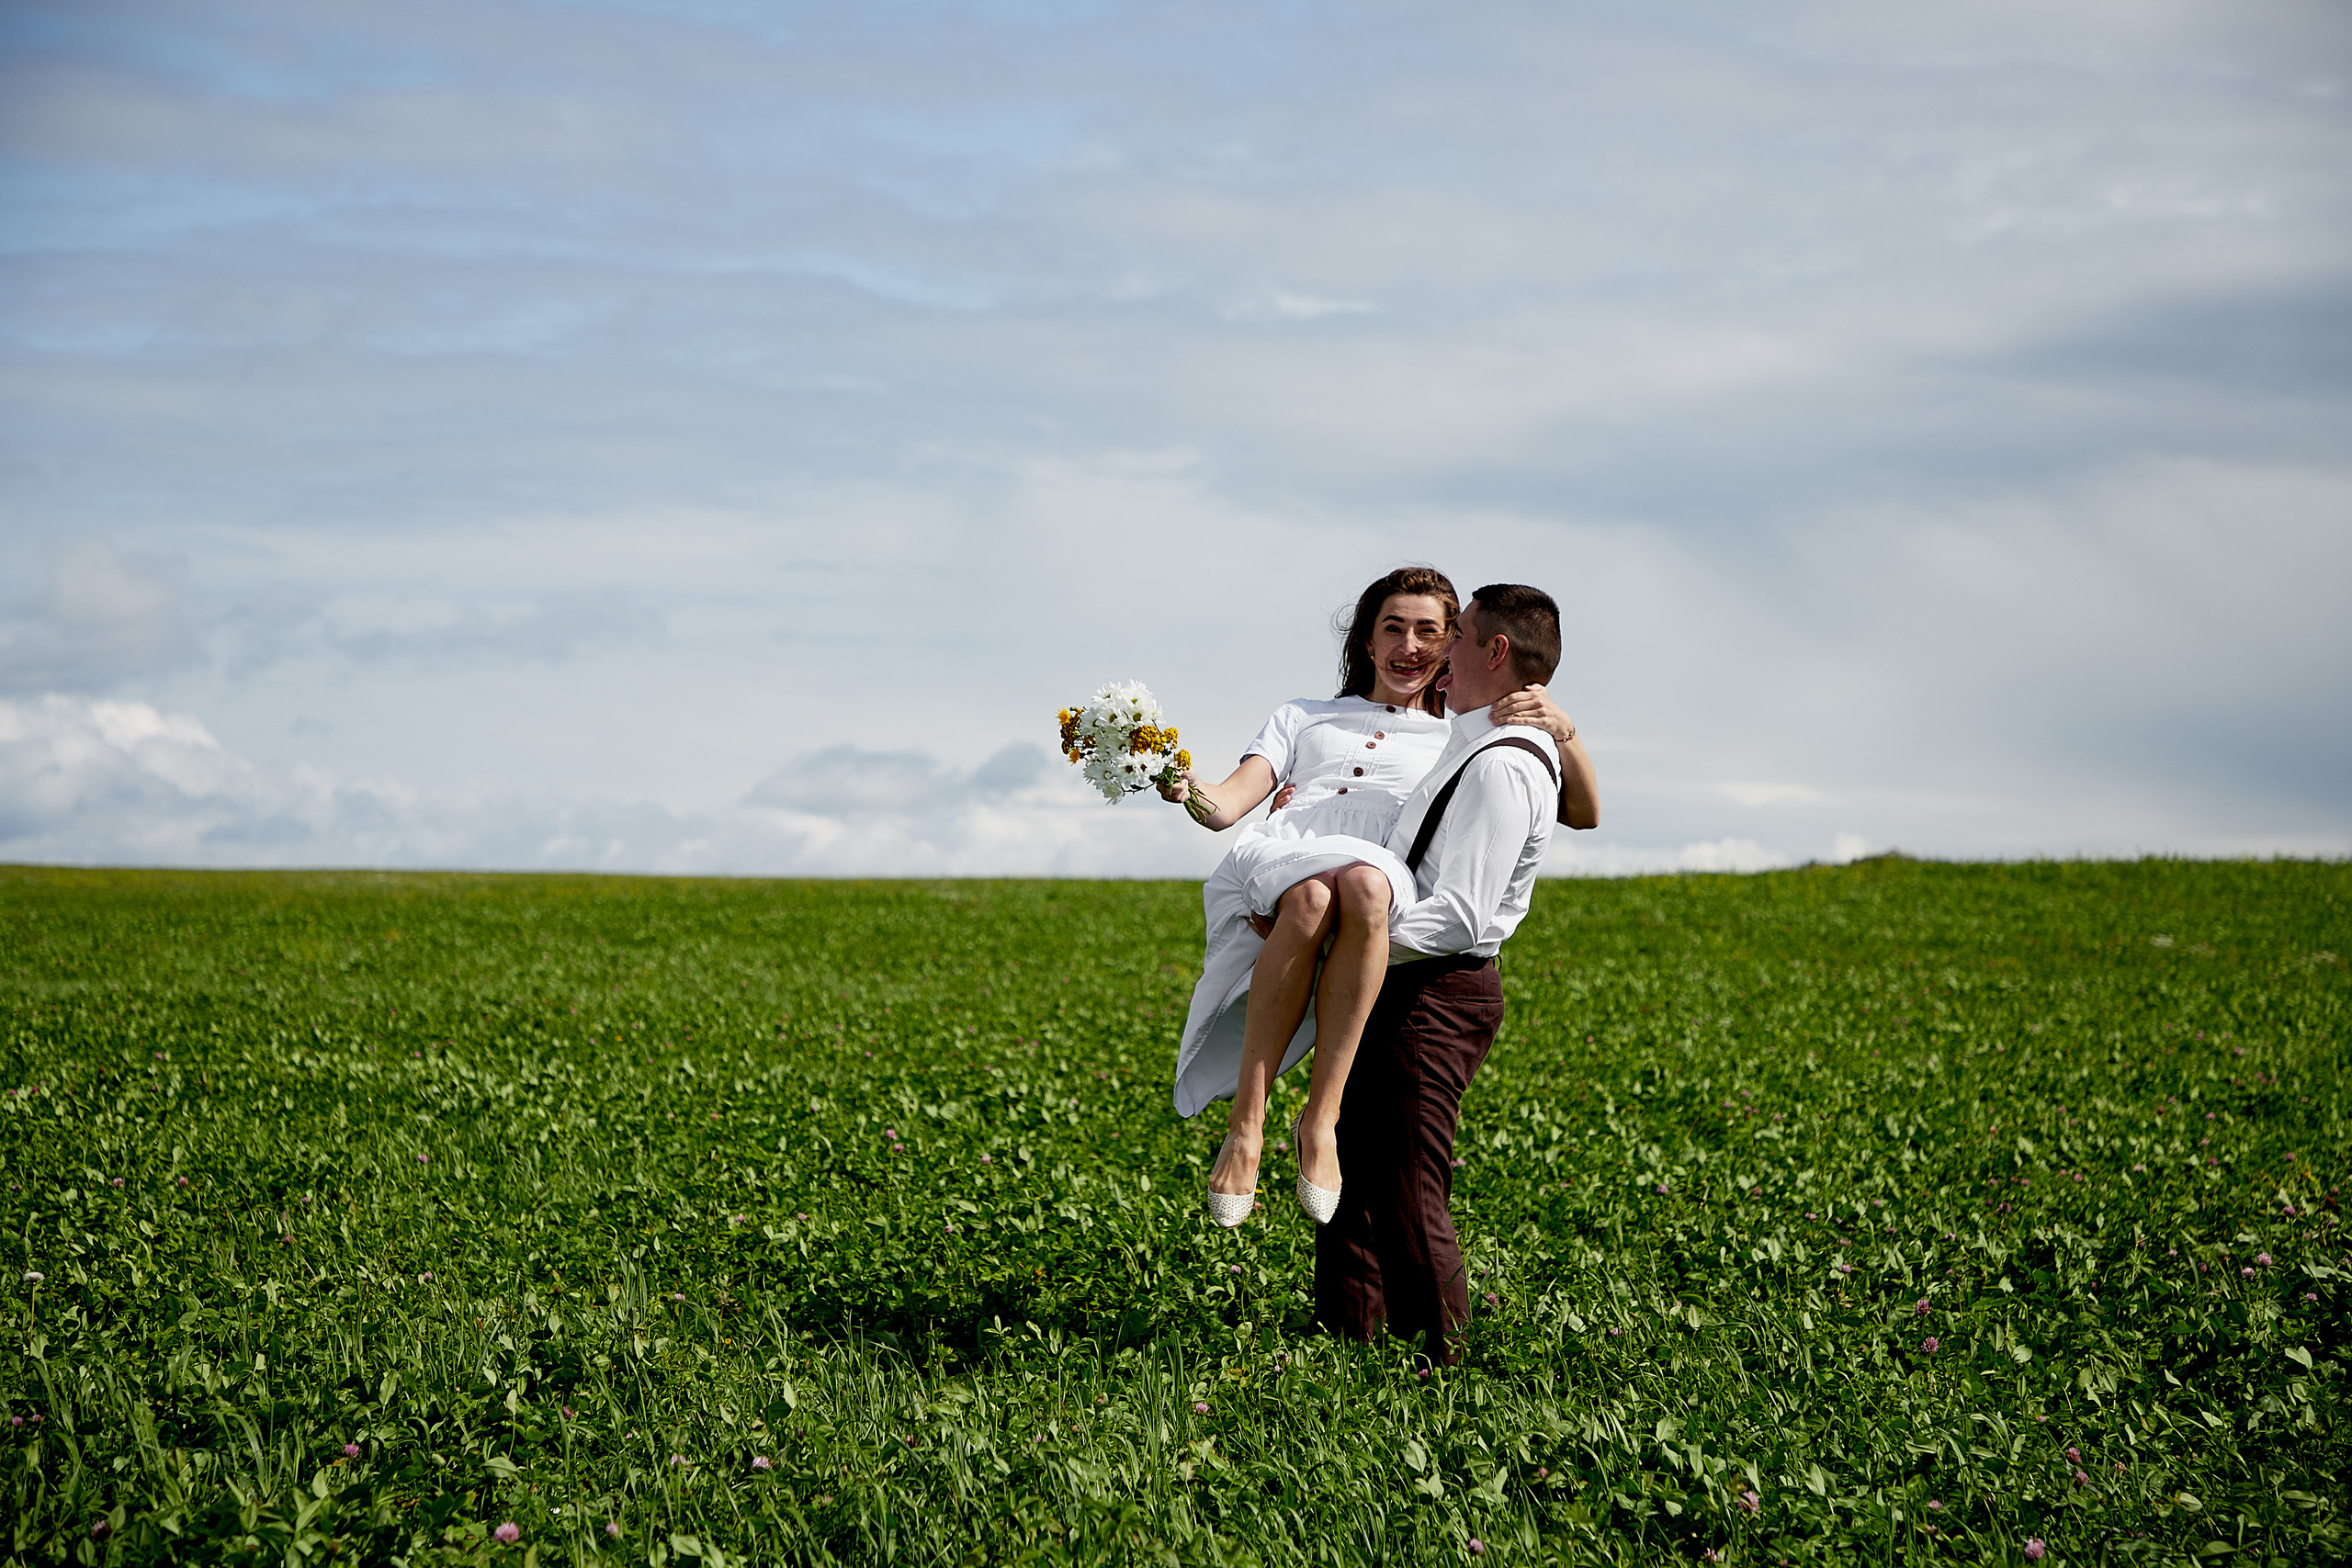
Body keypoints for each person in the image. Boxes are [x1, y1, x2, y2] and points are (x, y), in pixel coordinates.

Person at [1159, 567, 1594, 1229]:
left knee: (1355, 885)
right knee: (1306, 896)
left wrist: (1565, 728)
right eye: (1393, 627)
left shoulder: (1464, 734)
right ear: (1366, 639)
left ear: (1454, 645)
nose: (1410, 644)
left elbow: (1581, 811)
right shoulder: (1303, 716)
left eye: (1430, 631)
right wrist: (1175, 779)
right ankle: (1246, 1125)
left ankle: (1319, 1120)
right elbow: (1224, 806)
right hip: (1286, 862)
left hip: (1374, 882)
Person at [1306, 583, 1593, 1363]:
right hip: (1405, 983)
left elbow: (1461, 913)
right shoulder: (1474, 737)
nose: (1439, 649)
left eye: (1456, 633)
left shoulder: (1503, 764)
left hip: (1436, 990)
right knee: (1357, 1180)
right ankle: (1348, 1351)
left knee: (1406, 1189)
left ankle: (1444, 1373)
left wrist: (1350, 938)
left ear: (1494, 651)